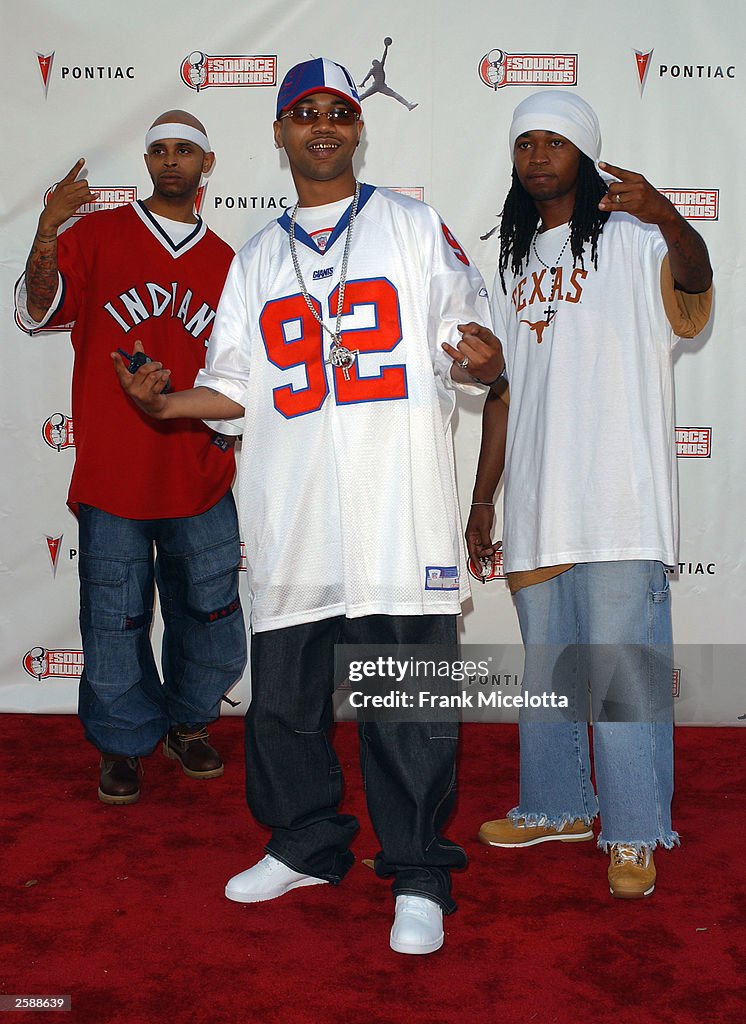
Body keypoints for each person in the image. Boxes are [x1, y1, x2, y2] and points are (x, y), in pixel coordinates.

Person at [112, 58, 503, 954]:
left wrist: (478, 360)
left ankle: (417, 873)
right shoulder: (255, 259)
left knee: (408, 700)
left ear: (358, 129)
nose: (321, 126)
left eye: (337, 112)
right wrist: (165, 403)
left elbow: (463, 336)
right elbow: (233, 386)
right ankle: (305, 843)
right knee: (285, 701)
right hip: (295, 522)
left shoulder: (410, 226)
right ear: (280, 133)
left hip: (399, 515)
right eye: (303, 114)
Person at [465, 90, 713, 898]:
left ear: (587, 156)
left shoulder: (638, 239)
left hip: (616, 501)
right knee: (552, 668)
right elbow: (503, 389)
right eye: (525, 142)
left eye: (555, 142)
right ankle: (557, 805)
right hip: (537, 504)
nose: (538, 154)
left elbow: (695, 284)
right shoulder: (507, 260)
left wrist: (671, 216)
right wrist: (482, 500)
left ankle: (637, 829)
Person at [15, 110, 247, 806]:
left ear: (208, 163)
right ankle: (122, 741)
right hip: (116, 470)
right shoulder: (97, 236)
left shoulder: (230, 263)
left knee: (211, 613)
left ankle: (188, 722)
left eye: (185, 151)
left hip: (199, 469)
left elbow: (243, 373)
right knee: (112, 619)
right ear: (147, 162)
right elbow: (36, 308)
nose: (171, 161)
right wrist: (48, 229)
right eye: (159, 151)